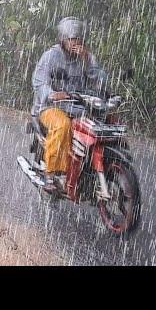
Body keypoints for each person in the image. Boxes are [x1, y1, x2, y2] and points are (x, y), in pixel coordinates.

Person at [31, 17, 109, 193]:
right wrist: (52, 94)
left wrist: (88, 61)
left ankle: (88, 170)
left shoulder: (86, 58)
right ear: (63, 39)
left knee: (98, 128)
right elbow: (39, 81)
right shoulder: (51, 55)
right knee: (63, 125)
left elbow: (102, 82)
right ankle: (50, 175)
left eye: (79, 39)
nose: (76, 43)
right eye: (72, 39)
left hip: (78, 107)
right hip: (51, 107)